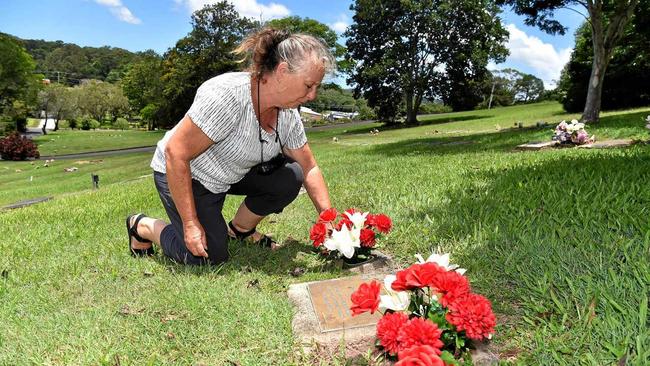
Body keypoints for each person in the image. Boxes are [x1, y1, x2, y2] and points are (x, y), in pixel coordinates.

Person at [125, 28, 335, 265]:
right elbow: (176, 153)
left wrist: (327, 219)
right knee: (205, 257)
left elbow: (309, 168)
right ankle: (142, 226)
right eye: (309, 85)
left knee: (291, 175)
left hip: (229, 174)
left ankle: (240, 230)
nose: (312, 95)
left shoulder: (288, 114)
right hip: (187, 174)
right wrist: (191, 224)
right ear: (282, 71)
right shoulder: (228, 97)